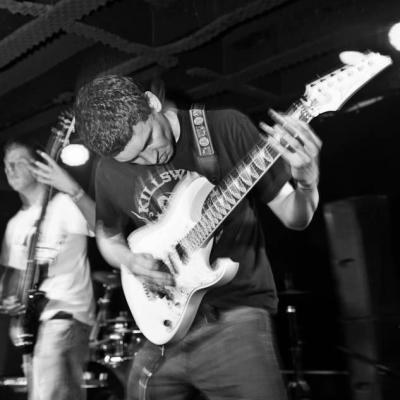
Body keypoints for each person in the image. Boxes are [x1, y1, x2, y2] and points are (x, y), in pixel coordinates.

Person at [74, 75, 321, 400]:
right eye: (133, 159)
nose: (150, 158)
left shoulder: (224, 127)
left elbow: (295, 216)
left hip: (234, 319)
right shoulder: (107, 171)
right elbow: (107, 237)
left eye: (149, 141)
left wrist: (306, 181)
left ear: (151, 102)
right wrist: (130, 260)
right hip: (163, 331)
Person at [0, 139, 96, 400]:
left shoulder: (63, 204)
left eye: (18, 162)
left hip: (65, 314)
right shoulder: (15, 224)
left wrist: (75, 191)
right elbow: (14, 277)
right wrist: (9, 299)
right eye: (7, 165)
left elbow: (102, 226)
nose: (10, 169)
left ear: (37, 166)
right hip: (33, 325)